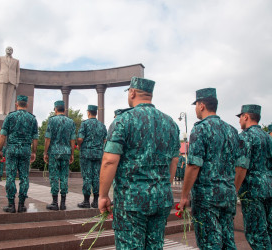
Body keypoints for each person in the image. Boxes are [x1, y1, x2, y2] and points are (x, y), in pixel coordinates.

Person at [99, 77, 180, 249]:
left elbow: (109, 161)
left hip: (132, 201)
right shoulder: (170, 123)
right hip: (161, 198)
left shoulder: (123, 120)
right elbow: (174, 161)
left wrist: (103, 195)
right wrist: (164, 186)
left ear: (132, 92)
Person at [179, 88, 241, 249]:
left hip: (207, 197)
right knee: (228, 240)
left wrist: (185, 195)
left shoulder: (200, 129)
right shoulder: (232, 131)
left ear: (201, 105)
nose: (195, 109)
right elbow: (240, 164)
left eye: (196, 105)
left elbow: (193, 165)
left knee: (210, 242)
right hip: (228, 194)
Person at [234, 105, 272, 249]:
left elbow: (241, 167)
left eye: (240, 117)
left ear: (246, 117)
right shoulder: (269, 138)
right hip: (271, 188)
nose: (240, 120)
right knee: (271, 231)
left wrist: (234, 190)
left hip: (253, 191)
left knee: (257, 234)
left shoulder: (245, 137)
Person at [0, 95, 38, 213]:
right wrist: (34, 152)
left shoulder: (10, 117)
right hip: (25, 150)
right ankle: (21, 205)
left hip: (11, 150)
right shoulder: (32, 119)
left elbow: (2, 135)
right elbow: (35, 138)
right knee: (24, 177)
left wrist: (0, 150)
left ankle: (11, 204)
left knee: (10, 176)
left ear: (16, 104)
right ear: (27, 105)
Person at [44, 100, 76, 211]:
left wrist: (45, 152)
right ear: (64, 109)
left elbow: (48, 138)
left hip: (54, 152)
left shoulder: (52, 121)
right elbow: (72, 139)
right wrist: (72, 153)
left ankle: (54, 202)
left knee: (54, 176)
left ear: (55, 109)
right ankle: (63, 203)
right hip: (66, 152)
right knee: (64, 177)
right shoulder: (70, 122)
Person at [77, 105, 107, 209]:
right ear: (96, 113)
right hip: (98, 154)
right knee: (97, 177)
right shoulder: (102, 126)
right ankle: (95, 202)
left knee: (87, 177)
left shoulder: (84, 124)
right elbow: (105, 140)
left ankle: (86, 201)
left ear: (88, 112)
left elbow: (80, 138)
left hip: (86, 153)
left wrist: (79, 146)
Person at [0, 46, 20, 115]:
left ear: (12, 51)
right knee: (1, 95)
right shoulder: (0, 58)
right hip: (3, 78)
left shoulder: (16, 61)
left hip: (12, 80)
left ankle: (7, 111)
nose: (9, 50)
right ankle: (1, 111)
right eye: (8, 49)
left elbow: (18, 72)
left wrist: (17, 82)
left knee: (9, 97)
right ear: (5, 50)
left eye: (11, 49)